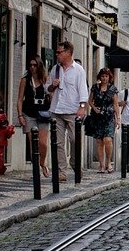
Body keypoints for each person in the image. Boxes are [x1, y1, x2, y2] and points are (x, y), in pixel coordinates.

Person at [46, 40, 89, 172]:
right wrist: (52, 85)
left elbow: (83, 91)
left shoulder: (78, 70)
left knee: (75, 140)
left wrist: (82, 107)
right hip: (57, 109)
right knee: (58, 143)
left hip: (73, 111)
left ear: (68, 53)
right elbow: (47, 88)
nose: (57, 55)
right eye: (57, 52)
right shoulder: (55, 69)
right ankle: (61, 171)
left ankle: (75, 164)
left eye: (59, 52)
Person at [16, 57, 51, 177]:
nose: (32, 67)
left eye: (35, 65)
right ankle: (36, 168)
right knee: (33, 143)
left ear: (39, 66)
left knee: (43, 143)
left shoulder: (45, 80)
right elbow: (20, 99)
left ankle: (43, 163)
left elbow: (51, 96)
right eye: (30, 65)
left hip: (43, 114)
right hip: (29, 114)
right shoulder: (25, 80)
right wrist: (20, 115)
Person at [89, 67, 119, 173]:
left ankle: (109, 162)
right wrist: (94, 108)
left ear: (109, 77)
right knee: (99, 141)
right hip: (97, 117)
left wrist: (117, 118)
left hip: (109, 117)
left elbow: (115, 104)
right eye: (102, 76)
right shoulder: (95, 88)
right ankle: (101, 165)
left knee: (108, 140)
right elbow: (90, 101)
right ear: (99, 77)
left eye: (106, 76)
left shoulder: (112, 89)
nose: (104, 78)